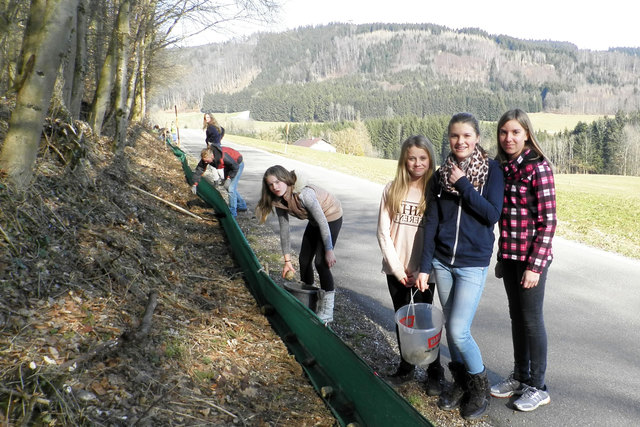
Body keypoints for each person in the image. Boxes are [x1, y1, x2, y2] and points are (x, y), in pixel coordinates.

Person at [416, 112, 503, 420]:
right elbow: (432, 221)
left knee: (458, 328)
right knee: (452, 333)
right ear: (449, 139)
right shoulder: (441, 175)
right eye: (455, 136)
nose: (460, 141)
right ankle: (461, 383)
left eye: (466, 135)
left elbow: (492, 214)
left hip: (471, 264)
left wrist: (464, 185)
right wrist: (425, 266)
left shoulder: (492, 170)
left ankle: (480, 387)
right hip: (442, 263)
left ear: (476, 138)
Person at [490, 109, 556, 412]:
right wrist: (503, 257)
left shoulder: (538, 168)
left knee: (531, 321)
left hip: (532, 259)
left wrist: (535, 266)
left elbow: (548, 222)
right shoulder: (504, 169)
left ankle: (538, 387)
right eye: (504, 132)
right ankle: (520, 376)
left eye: (515, 132)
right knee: (517, 318)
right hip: (511, 256)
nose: (508, 138)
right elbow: (505, 218)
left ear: (526, 134)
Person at [376, 135, 445, 395]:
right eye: (412, 157)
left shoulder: (436, 192)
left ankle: (434, 370)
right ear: (404, 159)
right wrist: (396, 268)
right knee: (403, 318)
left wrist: (421, 270)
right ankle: (406, 368)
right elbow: (383, 232)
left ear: (430, 160)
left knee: (425, 321)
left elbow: (439, 235)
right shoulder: (391, 189)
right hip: (396, 269)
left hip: (424, 272)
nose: (417, 163)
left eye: (423, 158)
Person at [255, 165, 342, 324]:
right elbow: (284, 229)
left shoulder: (304, 194)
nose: (274, 187)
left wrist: (329, 250)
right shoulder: (278, 200)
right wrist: (287, 261)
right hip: (315, 222)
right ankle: (308, 299)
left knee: (321, 263)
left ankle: (327, 311)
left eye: (278, 182)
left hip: (330, 217)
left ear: (286, 180)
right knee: (303, 260)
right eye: (270, 184)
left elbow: (323, 222)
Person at [190, 146, 247, 217]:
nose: (205, 162)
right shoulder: (206, 158)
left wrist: (229, 178)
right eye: (204, 161)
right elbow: (199, 170)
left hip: (237, 164)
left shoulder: (223, 156)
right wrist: (195, 184)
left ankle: (232, 213)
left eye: (207, 161)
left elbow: (235, 167)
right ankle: (242, 205)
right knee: (228, 187)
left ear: (212, 156)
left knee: (231, 188)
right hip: (228, 166)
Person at [203, 113, 225, 184]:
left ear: (211, 117)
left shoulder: (211, 127)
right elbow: (222, 130)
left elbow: (214, 135)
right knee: (216, 163)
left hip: (213, 146)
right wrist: (219, 139)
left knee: (214, 163)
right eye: (206, 118)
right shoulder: (215, 125)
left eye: (208, 117)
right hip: (217, 145)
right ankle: (220, 179)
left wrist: (210, 141)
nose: (207, 119)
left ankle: (220, 179)